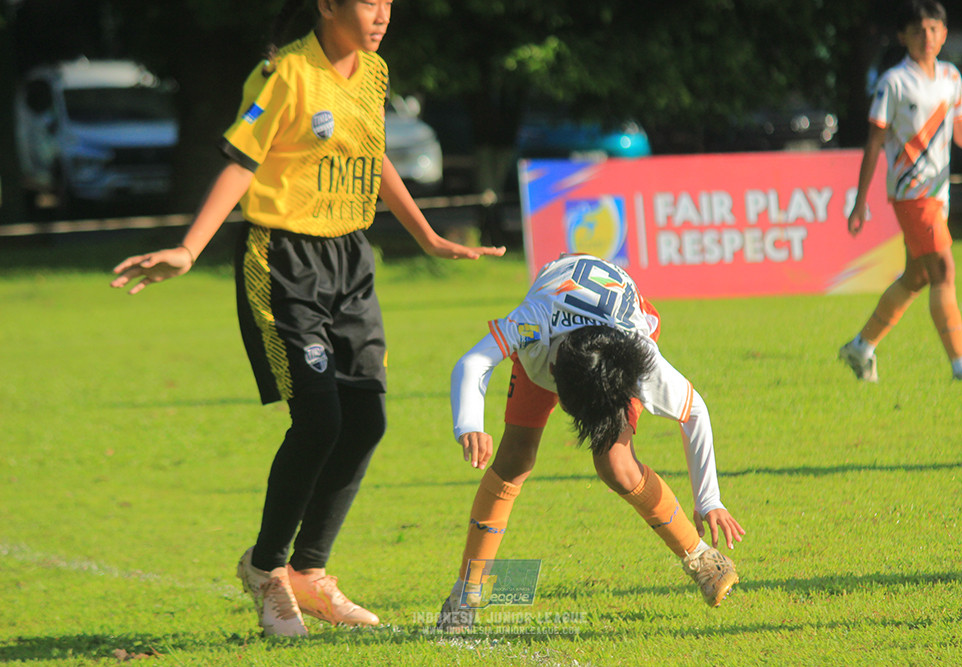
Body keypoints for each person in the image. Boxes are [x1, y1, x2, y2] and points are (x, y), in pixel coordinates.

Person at [111, 0, 505, 637]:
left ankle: (310, 576)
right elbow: (242, 162)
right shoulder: (284, 74)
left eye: (388, 2)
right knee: (320, 417)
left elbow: (372, 158)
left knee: (367, 419)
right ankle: (266, 569)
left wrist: (428, 236)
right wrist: (189, 248)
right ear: (327, 5)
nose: (382, 13)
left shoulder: (374, 71)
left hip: (352, 259)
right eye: (368, 1)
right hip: (283, 259)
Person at [435, 253, 745, 631]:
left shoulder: (639, 357)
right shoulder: (534, 324)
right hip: (554, 329)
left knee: (616, 465)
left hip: (612, 342)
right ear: (552, 371)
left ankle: (703, 560)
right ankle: (465, 595)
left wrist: (709, 499)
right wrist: (469, 424)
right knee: (514, 459)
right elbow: (473, 363)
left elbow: (695, 412)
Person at [839, 0, 962, 383]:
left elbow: (961, 132)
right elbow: (875, 142)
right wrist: (860, 203)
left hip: (937, 193)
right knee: (944, 268)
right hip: (912, 192)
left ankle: (860, 348)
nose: (926, 37)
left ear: (944, 34)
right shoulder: (894, 82)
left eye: (933, 29)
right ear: (903, 37)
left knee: (917, 277)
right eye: (918, 30)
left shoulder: (950, 77)